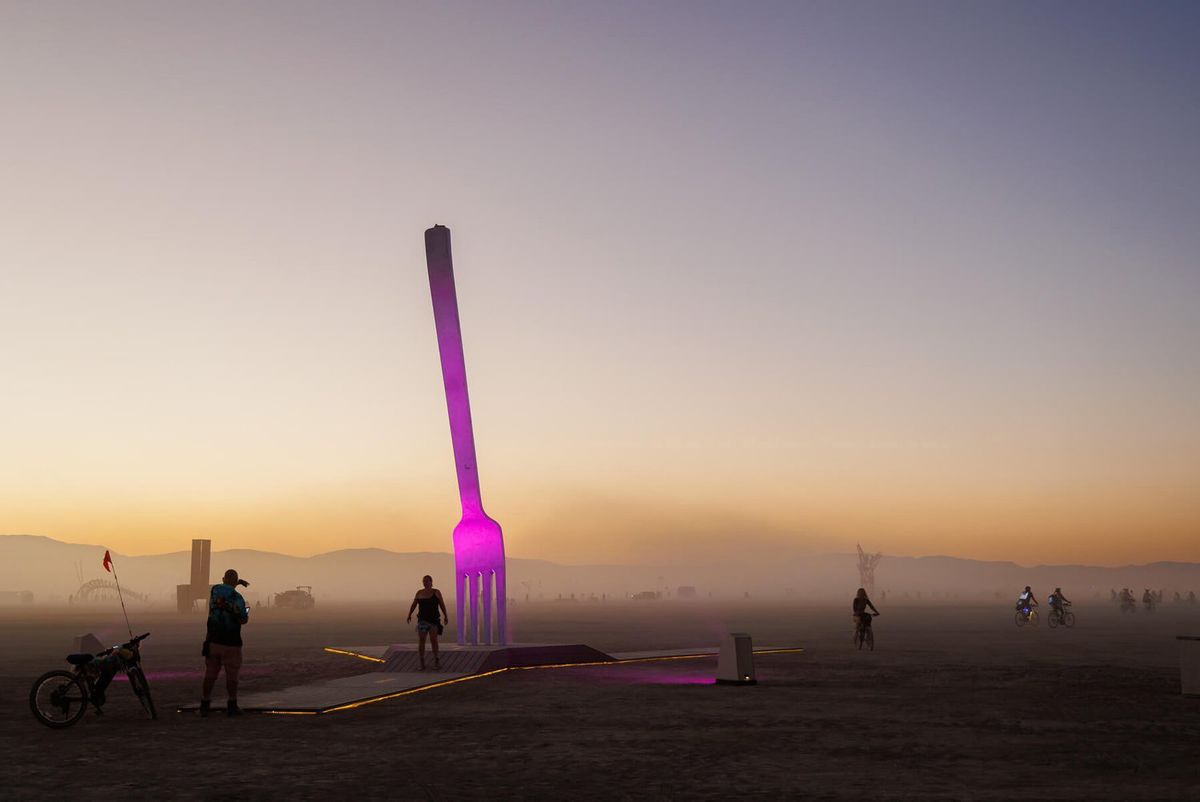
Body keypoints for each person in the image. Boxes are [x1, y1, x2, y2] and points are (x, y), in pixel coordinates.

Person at [201, 569, 250, 716]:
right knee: (232, 676)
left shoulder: (215, 590)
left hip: (213, 640)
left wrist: (235, 583)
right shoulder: (238, 598)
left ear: (223, 579)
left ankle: (205, 704)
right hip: (231, 642)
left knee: (210, 674)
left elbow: (225, 588)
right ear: (235, 581)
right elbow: (243, 620)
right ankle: (232, 704)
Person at [407, 575, 448, 670]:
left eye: (427, 581)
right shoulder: (419, 593)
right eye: (424, 581)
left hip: (434, 620)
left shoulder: (436, 592)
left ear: (431, 582)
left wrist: (446, 616)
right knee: (422, 641)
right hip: (422, 620)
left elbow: (442, 604)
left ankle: (436, 661)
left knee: (434, 640)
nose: (425, 583)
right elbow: (414, 605)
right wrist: (409, 614)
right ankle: (422, 662)